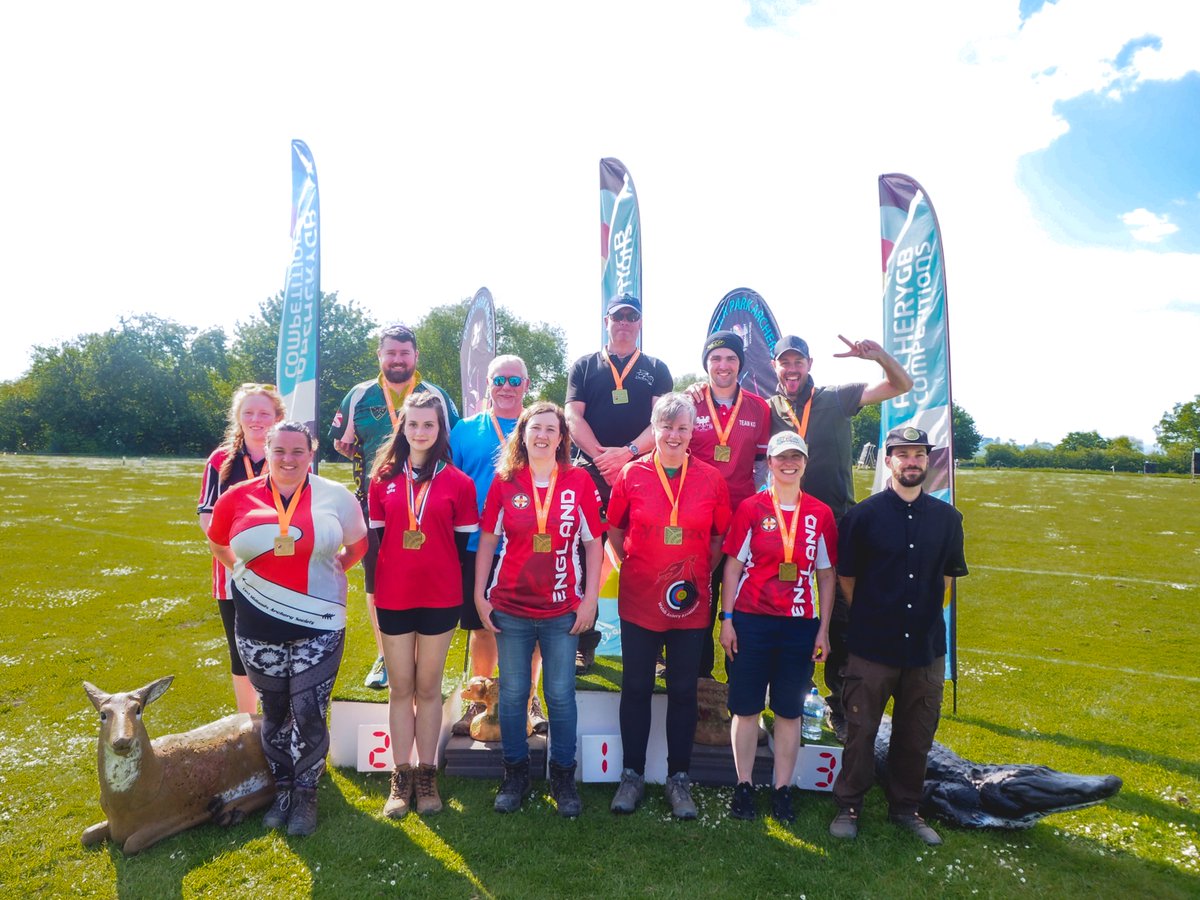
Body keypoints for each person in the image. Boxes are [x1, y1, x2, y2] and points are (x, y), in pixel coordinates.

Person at [207, 422, 368, 836]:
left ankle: (306, 794)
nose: (288, 459)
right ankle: (281, 791)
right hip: (257, 623)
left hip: (321, 622)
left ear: (311, 453)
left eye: (298, 451)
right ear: (268, 450)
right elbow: (218, 541)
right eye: (279, 451)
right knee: (275, 713)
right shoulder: (236, 498)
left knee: (310, 710)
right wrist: (248, 577)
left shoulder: (337, 497)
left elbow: (359, 544)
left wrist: (327, 575)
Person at [767, 333, 912, 741]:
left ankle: (840, 702)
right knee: (785, 608)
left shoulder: (836, 396)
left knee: (845, 617)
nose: (791, 369)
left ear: (809, 364)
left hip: (837, 523)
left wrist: (879, 356)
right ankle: (787, 692)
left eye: (798, 362)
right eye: (784, 362)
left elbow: (901, 386)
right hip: (785, 525)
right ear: (775, 366)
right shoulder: (768, 408)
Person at [828, 425, 968, 846]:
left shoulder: (948, 519)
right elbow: (846, 578)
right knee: (860, 731)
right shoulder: (862, 516)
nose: (911, 462)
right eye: (902, 454)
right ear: (887, 460)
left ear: (928, 462)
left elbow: (947, 578)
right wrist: (875, 615)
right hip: (872, 646)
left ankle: (906, 808)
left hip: (925, 649)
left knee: (916, 735)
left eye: (919, 455)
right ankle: (849, 805)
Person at [475, 402, 605, 817]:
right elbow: (489, 540)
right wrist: (480, 594)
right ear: (523, 434)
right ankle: (515, 773)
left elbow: (593, 543)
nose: (543, 435)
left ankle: (562, 775)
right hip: (510, 607)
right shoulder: (504, 481)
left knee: (560, 695)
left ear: (562, 438)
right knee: (514, 693)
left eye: (552, 429)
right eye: (536, 428)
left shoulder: (579, 481)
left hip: (563, 609)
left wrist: (589, 600)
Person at [605, 393, 731, 819]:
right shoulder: (631, 474)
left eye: (682, 428)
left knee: (682, 691)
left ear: (692, 431)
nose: (674, 436)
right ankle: (631, 775)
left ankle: (680, 779)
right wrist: (639, 568)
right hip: (639, 598)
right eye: (666, 427)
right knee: (636, 687)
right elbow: (615, 529)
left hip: (689, 603)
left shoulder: (711, 479)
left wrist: (689, 577)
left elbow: (717, 540)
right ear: (653, 429)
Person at [329, 323, 460, 689]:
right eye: (391, 353)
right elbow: (342, 442)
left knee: (429, 579)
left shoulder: (435, 394)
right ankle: (386, 656)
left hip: (429, 506)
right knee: (377, 581)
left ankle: (426, 660)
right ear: (380, 356)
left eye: (405, 353)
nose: (398, 359)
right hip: (379, 507)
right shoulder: (359, 394)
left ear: (416, 356)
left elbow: (455, 442)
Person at [368, 393, 479, 818]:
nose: (420, 432)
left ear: (439, 430)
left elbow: (463, 548)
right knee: (401, 688)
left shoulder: (459, 483)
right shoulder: (381, 479)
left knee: (428, 687)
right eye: (412, 424)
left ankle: (427, 774)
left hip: (440, 597)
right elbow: (376, 545)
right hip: (394, 596)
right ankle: (401, 776)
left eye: (428, 425)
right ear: (403, 429)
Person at [719, 431, 836, 823]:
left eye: (796, 457)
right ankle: (744, 785)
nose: (789, 463)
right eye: (781, 457)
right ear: (768, 462)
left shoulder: (820, 514)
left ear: (805, 462)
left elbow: (826, 576)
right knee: (747, 708)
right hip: (751, 621)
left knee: (788, 711)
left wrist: (823, 630)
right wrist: (728, 620)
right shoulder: (752, 508)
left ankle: (783, 789)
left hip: (799, 625)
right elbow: (732, 569)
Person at [565, 293, 672, 673]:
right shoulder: (584, 365)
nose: (625, 322)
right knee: (583, 551)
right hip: (591, 469)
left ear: (640, 323)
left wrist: (626, 453)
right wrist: (600, 456)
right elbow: (572, 417)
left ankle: (654, 646)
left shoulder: (657, 367)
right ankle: (583, 640)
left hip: (641, 469)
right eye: (618, 316)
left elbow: (662, 421)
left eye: (632, 316)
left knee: (647, 550)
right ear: (606, 321)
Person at [449, 355, 547, 736]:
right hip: (478, 542)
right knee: (483, 624)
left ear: (526, 384)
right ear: (488, 385)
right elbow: (452, 483)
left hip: (529, 543)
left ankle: (528, 699)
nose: (506, 387)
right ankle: (479, 697)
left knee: (533, 626)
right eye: (499, 380)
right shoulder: (464, 430)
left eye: (514, 380)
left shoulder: (538, 427)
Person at [684, 330, 771, 680]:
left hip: (741, 521)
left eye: (730, 359)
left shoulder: (758, 407)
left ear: (741, 365)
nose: (723, 365)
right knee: (699, 599)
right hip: (698, 520)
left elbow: (763, 462)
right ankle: (698, 680)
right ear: (706, 363)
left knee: (739, 600)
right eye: (716, 358)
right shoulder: (688, 403)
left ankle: (741, 685)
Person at [197, 383, 286, 715]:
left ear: (278, 416)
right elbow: (207, 517)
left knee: (280, 649)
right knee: (241, 653)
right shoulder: (221, 459)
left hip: (283, 574)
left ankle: (279, 721)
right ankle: (248, 726)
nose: (256, 419)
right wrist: (238, 559)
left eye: (264, 413)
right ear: (238, 417)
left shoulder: (289, 454)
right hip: (233, 572)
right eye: (248, 412)